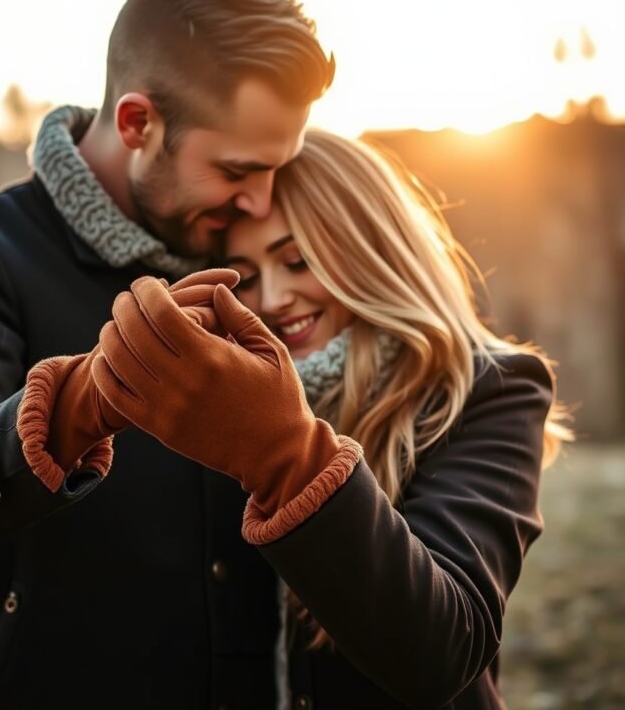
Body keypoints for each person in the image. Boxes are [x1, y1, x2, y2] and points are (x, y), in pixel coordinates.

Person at [0, 0, 335, 709]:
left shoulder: (255, 250)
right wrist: (76, 407)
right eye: (237, 170)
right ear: (138, 122)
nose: (260, 201)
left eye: (278, 167)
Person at [97, 129, 572, 708]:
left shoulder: (491, 387)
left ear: (372, 249)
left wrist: (282, 448)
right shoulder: (224, 402)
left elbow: (444, 648)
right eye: (246, 276)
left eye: (297, 261)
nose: (273, 298)